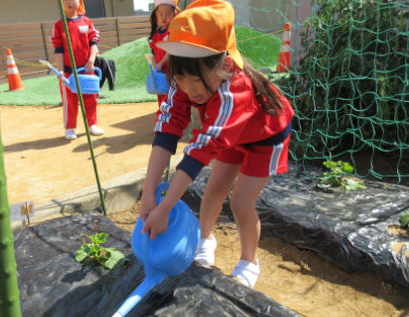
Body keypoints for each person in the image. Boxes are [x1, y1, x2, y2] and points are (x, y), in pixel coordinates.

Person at [140, 0, 294, 289]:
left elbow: (200, 150)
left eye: (193, 81)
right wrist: (149, 194)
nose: (188, 89)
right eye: (180, 79)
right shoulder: (187, 77)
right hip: (229, 133)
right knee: (213, 191)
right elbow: (167, 128)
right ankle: (205, 239)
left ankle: (249, 261)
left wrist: (164, 209)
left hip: (266, 134)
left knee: (240, 203)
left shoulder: (234, 90)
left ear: (223, 65)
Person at [51, 0, 104, 140]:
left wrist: (91, 60)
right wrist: (60, 69)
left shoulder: (88, 22)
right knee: (69, 100)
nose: (69, 2)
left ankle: (92, 124)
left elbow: (94, 44)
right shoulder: (58, 25)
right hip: (68, 72)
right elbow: (58, 49)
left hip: (87, 70)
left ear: (79, 2)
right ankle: (69, 128)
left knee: (91, 99)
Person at [148, 0, 178, 107]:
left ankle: (171, 118)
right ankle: (163, 116)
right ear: (156, 15)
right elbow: (154, 54)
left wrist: (161, 64)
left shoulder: (173, 31)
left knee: (173, 98)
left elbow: (172, 50)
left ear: (175, 14)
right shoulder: (155, 36)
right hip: (160, 72)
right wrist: (156, 66)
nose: (163, 17)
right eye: (161, 14)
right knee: (161, 96)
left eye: (167, 14)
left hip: (173, 72)